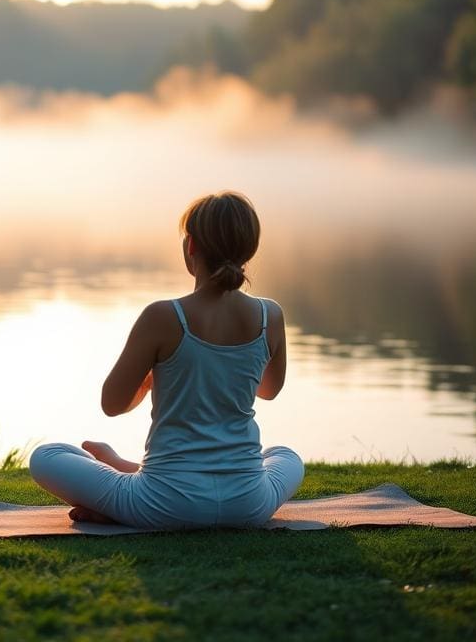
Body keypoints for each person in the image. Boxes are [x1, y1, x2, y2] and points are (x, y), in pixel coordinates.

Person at [29, 191, 304, 529]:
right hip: (247, 505)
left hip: (164, 505)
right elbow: (268, 389)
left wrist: (149, 380)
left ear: (191, 246)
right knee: (286, 456)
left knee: (48, 456)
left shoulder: (162, 316)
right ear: (250, 249)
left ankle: (119, 488)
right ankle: (125, 470)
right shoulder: (269, 315)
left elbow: (112, 404)